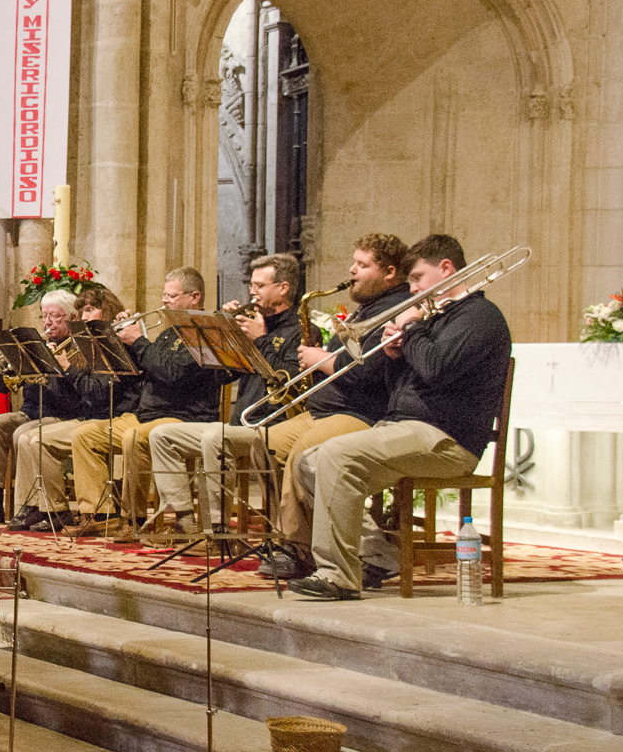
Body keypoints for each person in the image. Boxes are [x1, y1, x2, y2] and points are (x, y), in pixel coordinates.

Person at [288, 234, 512, 600]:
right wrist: (395, 355)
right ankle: (378, 554)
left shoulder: (479, 316)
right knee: (309, 462)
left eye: (418, 278)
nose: (412, 288)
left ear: (446, 268)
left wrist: (410, 329)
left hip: (446, 438)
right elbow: (407, 384)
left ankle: (338, 577)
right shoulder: (435, 317)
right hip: (407, 429)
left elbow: (437, 369)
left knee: (334, 454)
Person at [261, 234, 409, 581]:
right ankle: (301, 537)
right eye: (353, 262)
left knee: (303, 452)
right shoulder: (367, 307)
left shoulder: (396, 309)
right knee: (262, 442)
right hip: (325, 411)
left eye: (362, 264)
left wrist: (324, 361)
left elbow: (372, 372)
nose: (351, 270)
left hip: (363, 413)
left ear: (389, 272)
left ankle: (297, 548)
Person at [62, 267, 234, 538]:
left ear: (195, 297)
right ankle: (100, 514)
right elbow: (146, 368)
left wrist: (139, 340)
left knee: (133, 437)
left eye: (172, 295)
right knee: (85, 435)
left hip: (181, 415)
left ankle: (134, 518)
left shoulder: (203, 332)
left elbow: (173, 374)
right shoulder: (168, 333)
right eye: (164, 294)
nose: (164, 300)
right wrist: (124, 341)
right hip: (147, 414)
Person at [147, 253, 303, 533]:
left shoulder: (300, 329)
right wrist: (225, 332)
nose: (252, 292)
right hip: (240, 422)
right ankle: (185, 520)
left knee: (214, 438)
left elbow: (288, 380)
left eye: (259, 285)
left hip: (273, 423)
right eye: (251, 285)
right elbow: (220, 375)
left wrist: (261, 339)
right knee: (161, 435)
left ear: (283, 288)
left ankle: (215, 528)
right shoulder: (251, 324)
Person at [0, 288, 104, 527]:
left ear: (71, 318)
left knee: (21, 434)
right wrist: (11, 367)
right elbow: (2, 387)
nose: (48, 322)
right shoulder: (36, 345)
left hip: (62, 416)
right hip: (30, 412)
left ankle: (30, 506)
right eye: (45, 316)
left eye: (55, 316)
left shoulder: (77, 349)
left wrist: (51, 375)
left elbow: (78, 398)